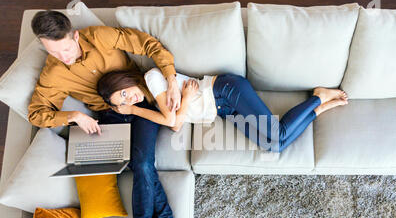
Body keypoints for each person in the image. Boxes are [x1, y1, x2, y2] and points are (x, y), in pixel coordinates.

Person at [28, 10, 185, 218]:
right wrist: (74, 115)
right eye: (54, 53)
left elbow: (149, 45)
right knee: (136, 163)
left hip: (140, 101)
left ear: (75, 36)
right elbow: (36, 114)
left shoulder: (101, 37)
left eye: (66, 49)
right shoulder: (53, 73)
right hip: (110, 116)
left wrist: (170, 80)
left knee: (142, 162)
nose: (64, 57)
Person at [97, 68, 349, 153]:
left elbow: (173, 122)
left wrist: (132, 109)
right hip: (222, 109)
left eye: (124, 92)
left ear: (125, 82)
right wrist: (183, 101)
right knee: (274, 146)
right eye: (123, 101)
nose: (129, 98)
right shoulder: (152, 102)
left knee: (277, 132)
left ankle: (318, 97)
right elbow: (174, 122)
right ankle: (319, 108)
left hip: (224, 90)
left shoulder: (151, 78)